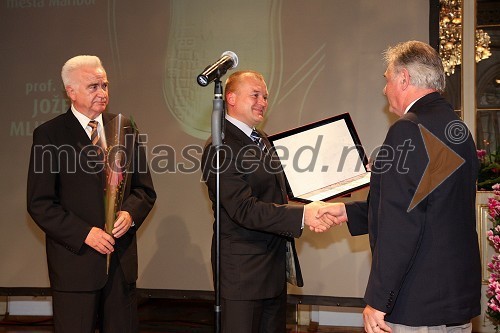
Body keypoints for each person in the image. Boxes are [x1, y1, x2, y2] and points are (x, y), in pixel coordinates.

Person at [318, 41, 481, 333]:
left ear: (404, 78)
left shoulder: (407, 129)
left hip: (416, 304)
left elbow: (402, 224)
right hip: (454, 301)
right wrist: (348, 212)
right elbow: (430, 206)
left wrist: (379, 301)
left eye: (387, 78)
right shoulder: (457, 129)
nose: (384, 89)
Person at [27, 55, 156, 333]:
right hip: (76, 267)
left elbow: (145, 190)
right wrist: (85, 233)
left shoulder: (125, 128)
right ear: (70, 92)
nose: (102, 93)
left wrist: (130, 214)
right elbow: (40, 204)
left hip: (120, 268)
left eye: (105, 85)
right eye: (93, 86)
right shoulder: (50, 135)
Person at [201, 70, 332, 333]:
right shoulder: (220, 146)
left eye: (265, 97)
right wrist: (302, 216)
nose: (262, 101)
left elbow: (280, 190)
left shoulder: (260, 138)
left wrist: (334, 185)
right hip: (243, 274)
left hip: (272, 270)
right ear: (231, 98)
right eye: (255, 95)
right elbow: (243, 209)